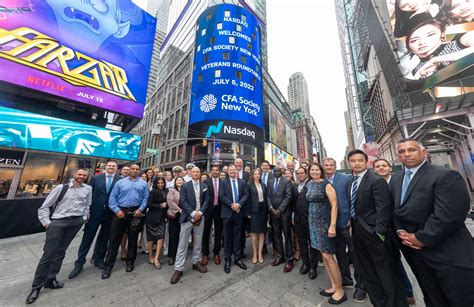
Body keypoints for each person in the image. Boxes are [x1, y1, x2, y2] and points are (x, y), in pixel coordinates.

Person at [390, 139, 474, 307]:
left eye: (411, 150)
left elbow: (449, 214)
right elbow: (395, 210)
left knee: (457, 299)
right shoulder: (396, 178)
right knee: (432, 297)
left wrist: (421, 238)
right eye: (402, 151)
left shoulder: (444, 175)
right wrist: (400, 232)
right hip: (416, 254)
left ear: (424, 152)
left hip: (446, 253)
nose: (406, 154)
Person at [347, 150, 407, 307]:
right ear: (349, 163)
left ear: (366, 162)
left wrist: (379, 233)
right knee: (368, 271)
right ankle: (379, 302)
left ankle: (395, 303)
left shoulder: (375, 180)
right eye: (353, 161)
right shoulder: (351, 182)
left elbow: (384, 209)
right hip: (358, 232)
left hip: (375, 234)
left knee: (385, 272)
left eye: (360, 160)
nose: (356, 163)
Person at [26, 168, 92, 304]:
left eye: (84, 175)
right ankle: (36, 287)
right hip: (58, 222)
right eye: (79, 174)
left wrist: (84, 218)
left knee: (61, 252)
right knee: (48, 254)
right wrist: (47, 223)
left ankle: (51, 279)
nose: (81, 177)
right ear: (74, 175)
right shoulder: (61, 188)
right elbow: (44, 207)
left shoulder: (88, 189)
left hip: (75, 222)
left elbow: (87, 205)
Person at [323, 157, 367, 303]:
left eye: (331, 164)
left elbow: (354, 199)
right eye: (326, 165)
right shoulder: (321, 180)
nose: (329, 167)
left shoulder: (346, 178)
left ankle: (361, 286)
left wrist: (352, 220)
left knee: (355, 255)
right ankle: (346, 279)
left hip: (347, 222)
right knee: (340, 253)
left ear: (335, 166)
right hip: (331, 225)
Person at [68, 160, 121, 279]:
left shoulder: (120, 180)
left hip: (110, 214)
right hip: (94, 213)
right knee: (87, 238)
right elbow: (88, 194)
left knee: (104, 238)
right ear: (105, 167)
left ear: (116, 168)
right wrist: (86, 212)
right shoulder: (96, 178)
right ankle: (79, 263)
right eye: (109, 165)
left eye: (113, 166)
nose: (111, 167)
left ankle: (99, 259)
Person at [373, 158, 416, 305]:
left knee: (415, 262)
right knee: (394, 262)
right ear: (374, 169)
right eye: (377, 166)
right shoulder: (374, 184)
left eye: (384, 165)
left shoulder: (400, 181)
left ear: (390, 167)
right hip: (386, 231)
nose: (381, 168)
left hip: (405, 229)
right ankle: (406, 292)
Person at [306, 163, 346, 305]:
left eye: (317, 169)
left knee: (329, 256)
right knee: (324, 255)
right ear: (309, 171)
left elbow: (334, 205)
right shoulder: (309, 184)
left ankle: (340, 290)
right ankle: (334, 286)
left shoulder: (326, 184)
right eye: (312, 170)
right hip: (313, 224)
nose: (315, 172)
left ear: (320, 171)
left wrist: (332, 226)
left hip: (325, 224)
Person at [101, 164, 149, 279]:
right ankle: (108, 267)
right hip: (120, 212)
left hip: (135, 213)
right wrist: (117, 211)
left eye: (137, 169)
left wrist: (140, 209)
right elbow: (112, 198)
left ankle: (130, 262)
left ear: (139, 171)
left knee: (133, 239)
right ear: (129, 170)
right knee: (114, 240)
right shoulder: (120, 183)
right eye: (132, 169)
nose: (134, 170)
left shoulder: (143, 183)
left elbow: (145, 198)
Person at [170, 167, 209, 284]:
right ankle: (178, 268)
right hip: (187, 217)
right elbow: (182, 201)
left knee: (198, 241)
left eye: (198, 171)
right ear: (190, 173)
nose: (196, 173)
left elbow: (207, 200)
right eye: (194, 172)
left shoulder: (204, 186)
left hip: (200, 217)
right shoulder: (185, 186)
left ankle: (196, 262)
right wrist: (192, 213)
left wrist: (200, 212)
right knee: (182, 243)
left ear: (200, 173)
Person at [405, 13, 474, 79]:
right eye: (414, 40)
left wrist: (436, 60)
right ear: (409, 47)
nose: (422, 42)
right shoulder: (417, 71)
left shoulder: (460, 42)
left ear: (442, 35)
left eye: (430, 35)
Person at [219, 164, 249, 273]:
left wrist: (239, 205)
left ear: (237, 171)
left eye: (234, 170)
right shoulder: (223, 182)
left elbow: (246, 195)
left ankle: (237, 259)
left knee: (238, 237)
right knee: (227, 238)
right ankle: (227, 260)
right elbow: (221, 196)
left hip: (239, 213)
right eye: (230, 170)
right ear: (228, 172)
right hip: (227, 213)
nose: (232, 171)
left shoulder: (242, 182)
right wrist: (233, 205)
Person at [292, 167, 318, 280]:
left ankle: (313, 267)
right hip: (298, 220)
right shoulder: (295, 186)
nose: (300, 175)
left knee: (312, 244)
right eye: (298, 173)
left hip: (310, 219)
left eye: (302, 173)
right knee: (302, 242)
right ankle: (305, 263)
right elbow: (293, 203)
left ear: (306, 174)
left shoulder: (311, 184)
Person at [267, 166, 294, 272]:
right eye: (275, 171)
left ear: (281, 172)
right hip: (273, 213)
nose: (276, 172)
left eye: (278, 171)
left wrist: (280, 209)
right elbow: (268, 196)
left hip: (284, 213)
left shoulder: (287, 181)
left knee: (287, 236)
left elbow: (288, 196)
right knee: (276, 235)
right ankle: (280, 256)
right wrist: (271, 208)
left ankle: (289, 260)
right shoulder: (270, 182)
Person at [202, 164, 224, 266]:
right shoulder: (205, 182)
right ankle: (205, 254)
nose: (215, 171)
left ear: (219, 172)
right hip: (208, 210)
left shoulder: (223, 183)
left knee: (218, 233)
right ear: (211, 172)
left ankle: (216, 253)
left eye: (216, 170)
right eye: (213, 170)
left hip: (219, 210)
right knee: (206, 233)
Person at [145, 177, 168, 269]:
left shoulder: (167, 190)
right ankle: (150, 256)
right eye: (158, 183)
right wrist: (160, 205)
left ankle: (157, 258)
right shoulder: (152, 192)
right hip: (152, 218)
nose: (160, 184)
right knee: (151, 238)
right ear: (155, 183)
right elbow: (149, 205)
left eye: (162, 182)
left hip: (162, 218)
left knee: (161, 237)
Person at [246, 168, 268, 264]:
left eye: (258, 174)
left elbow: (266, 198)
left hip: (263, 211)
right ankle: (254, 253)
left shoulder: (263, 185)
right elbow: (247, 200)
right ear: (252, 175)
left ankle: (260, 253)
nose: (257, 175)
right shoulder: (249, 185)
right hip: (253, 211)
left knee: (262, 232)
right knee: (254, 233)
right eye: (255, 174)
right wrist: (248, 213)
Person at [166, 176, 184, 266]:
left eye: (181, 180)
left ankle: (179, 254)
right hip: (174, 215)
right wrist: (180, 210)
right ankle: (171, 256)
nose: (180, 181)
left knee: (182, 236)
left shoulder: (186, 190)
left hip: (184, 216)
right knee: (173, 236)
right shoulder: (172, 191)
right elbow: (170, 202)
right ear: (175, 182)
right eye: (178, 180)